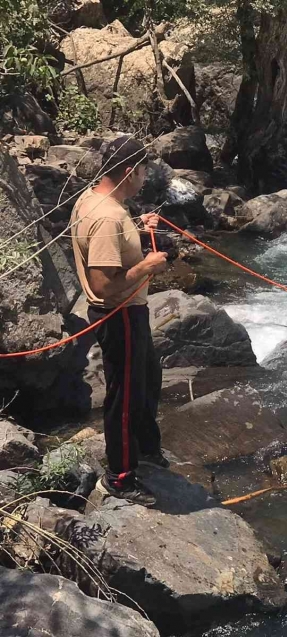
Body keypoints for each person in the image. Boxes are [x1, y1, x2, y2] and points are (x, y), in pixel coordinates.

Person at [70, 136, 168, 507]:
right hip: (120, 313)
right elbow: (103, 284)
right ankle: (121, 477)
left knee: (147, 379)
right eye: (143, 171)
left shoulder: (93, 199)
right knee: (124, 395)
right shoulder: (108, 216)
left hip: (128, 312)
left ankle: (144, 448)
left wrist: (138, 229)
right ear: (129, 172)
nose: (145, 178)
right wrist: (147, 265)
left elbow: (107, 241)